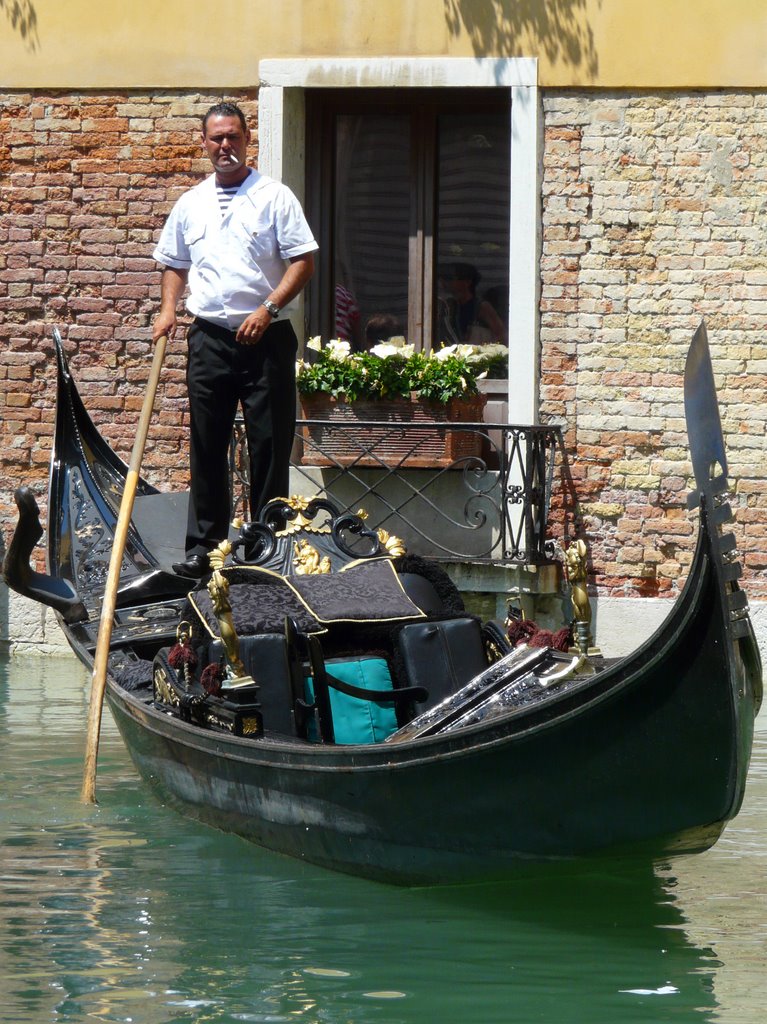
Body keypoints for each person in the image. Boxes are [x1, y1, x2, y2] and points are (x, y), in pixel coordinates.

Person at [152, 101, 318, 578]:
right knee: (207, 443)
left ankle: (268, 545)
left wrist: (267, 309)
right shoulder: (191, 203)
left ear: (248, 141)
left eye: (233, 137)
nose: (225, 146)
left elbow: (303, 261)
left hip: (266, 339)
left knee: (269, 445)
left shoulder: (274, 197)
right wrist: (168, 310)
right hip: (209, 338)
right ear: (205, 144)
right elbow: (175, 264)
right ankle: (205, 548)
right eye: (217, 138)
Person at [438, 262, 507, 346]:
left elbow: (501, 334)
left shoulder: (481, 306)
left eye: (451, 278)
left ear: (467, 282)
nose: (446, 282)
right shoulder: (450, 305)